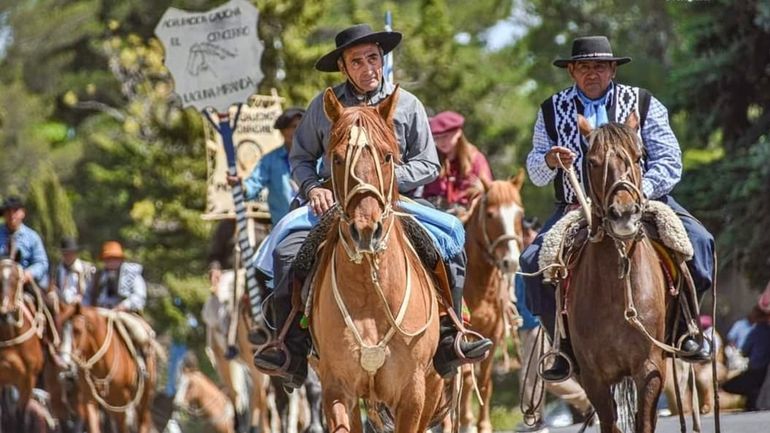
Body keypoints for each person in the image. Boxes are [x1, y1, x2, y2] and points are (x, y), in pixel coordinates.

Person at [252, 23, 492, 389]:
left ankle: (451, 334)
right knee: (283, 250)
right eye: (357, 61)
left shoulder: (407, 104)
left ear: (383, 60)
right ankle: (290, 346)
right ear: (343, 68)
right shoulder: (324, 106)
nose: (367, 68)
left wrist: (384, 180)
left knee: (451, 239)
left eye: (373, 58)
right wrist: (314, 187)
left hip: (395, 199)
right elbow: (300, 158)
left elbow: (428, 163)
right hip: (333, 200)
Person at [520, 35, 715, 381]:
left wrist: (640, 192)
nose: (591, 73)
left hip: (644, 199)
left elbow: (669, 159)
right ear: (571, 72)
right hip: (575, 205)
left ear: (612, 69)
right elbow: (535, 170)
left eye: (599, 66)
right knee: (532, 262)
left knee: (699, 242)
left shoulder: (641, 103)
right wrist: (550, 159)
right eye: (583, 66)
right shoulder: (551, 110)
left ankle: (687, 328)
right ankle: (561, 347)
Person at [516, 218, 591, 433]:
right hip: (525, 326)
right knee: (542, 374)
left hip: (539, 324)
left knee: (534, 373)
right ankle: (587, 401)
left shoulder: (543, 260)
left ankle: (535, 419)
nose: (524, 237)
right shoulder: (523, 261)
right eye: (522, 233)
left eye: (527, 232)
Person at [230, 107, 305, 226]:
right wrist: (241, 186)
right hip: (284, 228)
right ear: (282, 132)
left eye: (301, 127)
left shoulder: (318, 158)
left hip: (313, 225)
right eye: (293, 127)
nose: (298, 131)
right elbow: (253, 184)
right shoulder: (270, 160)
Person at [422, 111, 493, 212]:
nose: (441, 142)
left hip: (466, 216)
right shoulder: (431, 158)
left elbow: (489, 190)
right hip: (434, 213)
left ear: (458, 132)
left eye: (445, 136)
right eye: (437, 138)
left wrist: (481, 189)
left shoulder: (475, 159)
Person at [51, 236, 96, 367]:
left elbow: (92, 292)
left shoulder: (87, 269)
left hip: (82, 307)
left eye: (70, 253)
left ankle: (70, 355)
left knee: (66, 320)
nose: (67, 256)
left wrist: (80, 300)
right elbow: (54, 288)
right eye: (65, 253)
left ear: (75, 253)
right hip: (62, 306)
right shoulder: (57, 270)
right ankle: (58, 353)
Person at [722, 305, 770, 411]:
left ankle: (754, 394)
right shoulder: (746, 326)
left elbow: (745, 351)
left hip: (756, 370)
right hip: (762, 371)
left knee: (728, 385)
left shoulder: (756, 330)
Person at [0, 195, 49, 290]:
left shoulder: (32, 237)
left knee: (47, 302)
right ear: (4, 214)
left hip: (24, 284)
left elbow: (42, 262)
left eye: (15, 211)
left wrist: (29, 273)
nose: (11, 215)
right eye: (8, 211)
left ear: (23, 213)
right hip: (0, 283)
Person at [85, 240, 146, 312]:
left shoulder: (131, 273)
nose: (111, 262)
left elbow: (139, 295)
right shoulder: (97, 275)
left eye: (115, 259)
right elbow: (87, 295)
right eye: (108, 259)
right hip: (99, 312)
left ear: (121, 259)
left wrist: (125, 305)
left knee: (134, 323)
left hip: (125, 312)